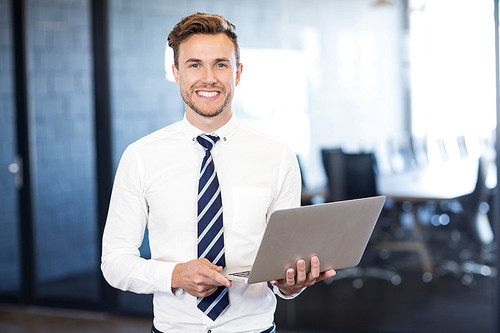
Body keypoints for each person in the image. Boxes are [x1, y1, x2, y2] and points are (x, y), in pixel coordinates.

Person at [101, 12, 336, 333]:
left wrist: (292, 284)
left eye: (221, 64)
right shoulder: (141, 156)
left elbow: (283, 267)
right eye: (194, 64)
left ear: (238, 73)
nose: (208, 77)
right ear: (176, 73)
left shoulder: (278, 156)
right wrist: (174, 275)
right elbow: (114, 262)